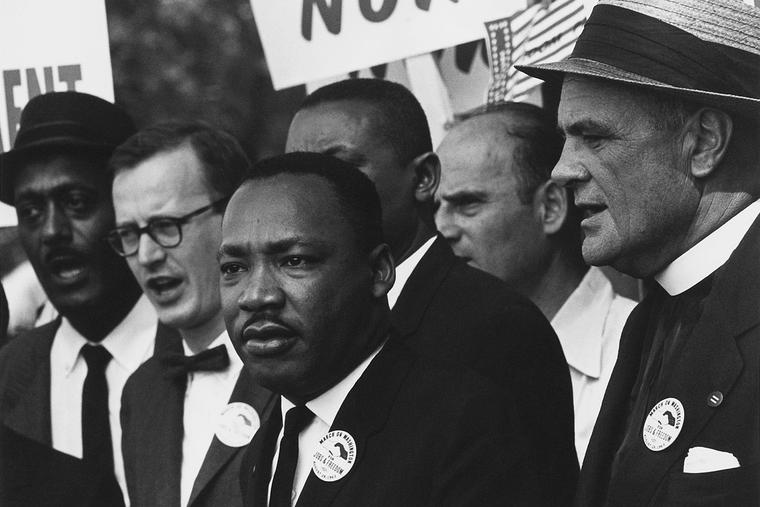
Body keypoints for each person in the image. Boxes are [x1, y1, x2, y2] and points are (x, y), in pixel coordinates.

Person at [285, 78, 577, 505]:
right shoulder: (305, 328)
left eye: (340, 168)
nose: (309, 193)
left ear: (423, 177)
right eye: (296, 171)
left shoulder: (496, 326)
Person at [517, 0, 760, 505]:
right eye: (566, 138)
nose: (562, 169)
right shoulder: (654, 314)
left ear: (704, 143)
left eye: (595, 137)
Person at [221, 152, 541, 506]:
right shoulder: (266, 443)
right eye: (234, 267)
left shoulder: (463, 425)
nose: (255, 295)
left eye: (294, 260)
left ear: (378, 271)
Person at [435, 102, 636, 463]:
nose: (442, 228)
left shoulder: (640, 351)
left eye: (467, 203)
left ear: (551, 207)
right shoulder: (435, 361)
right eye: (434, 208)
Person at [0, 91, 159, 506]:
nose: (52, 231)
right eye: (31, 210)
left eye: (76, 202)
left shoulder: (210, 351)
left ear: (128, 210)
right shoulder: (8, 375)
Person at [109, 121, 275, 507]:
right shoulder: (143, 391)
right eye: (129, 235)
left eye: (166, 226)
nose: (147, 256)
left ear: (234, 213)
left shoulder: (300, 364)